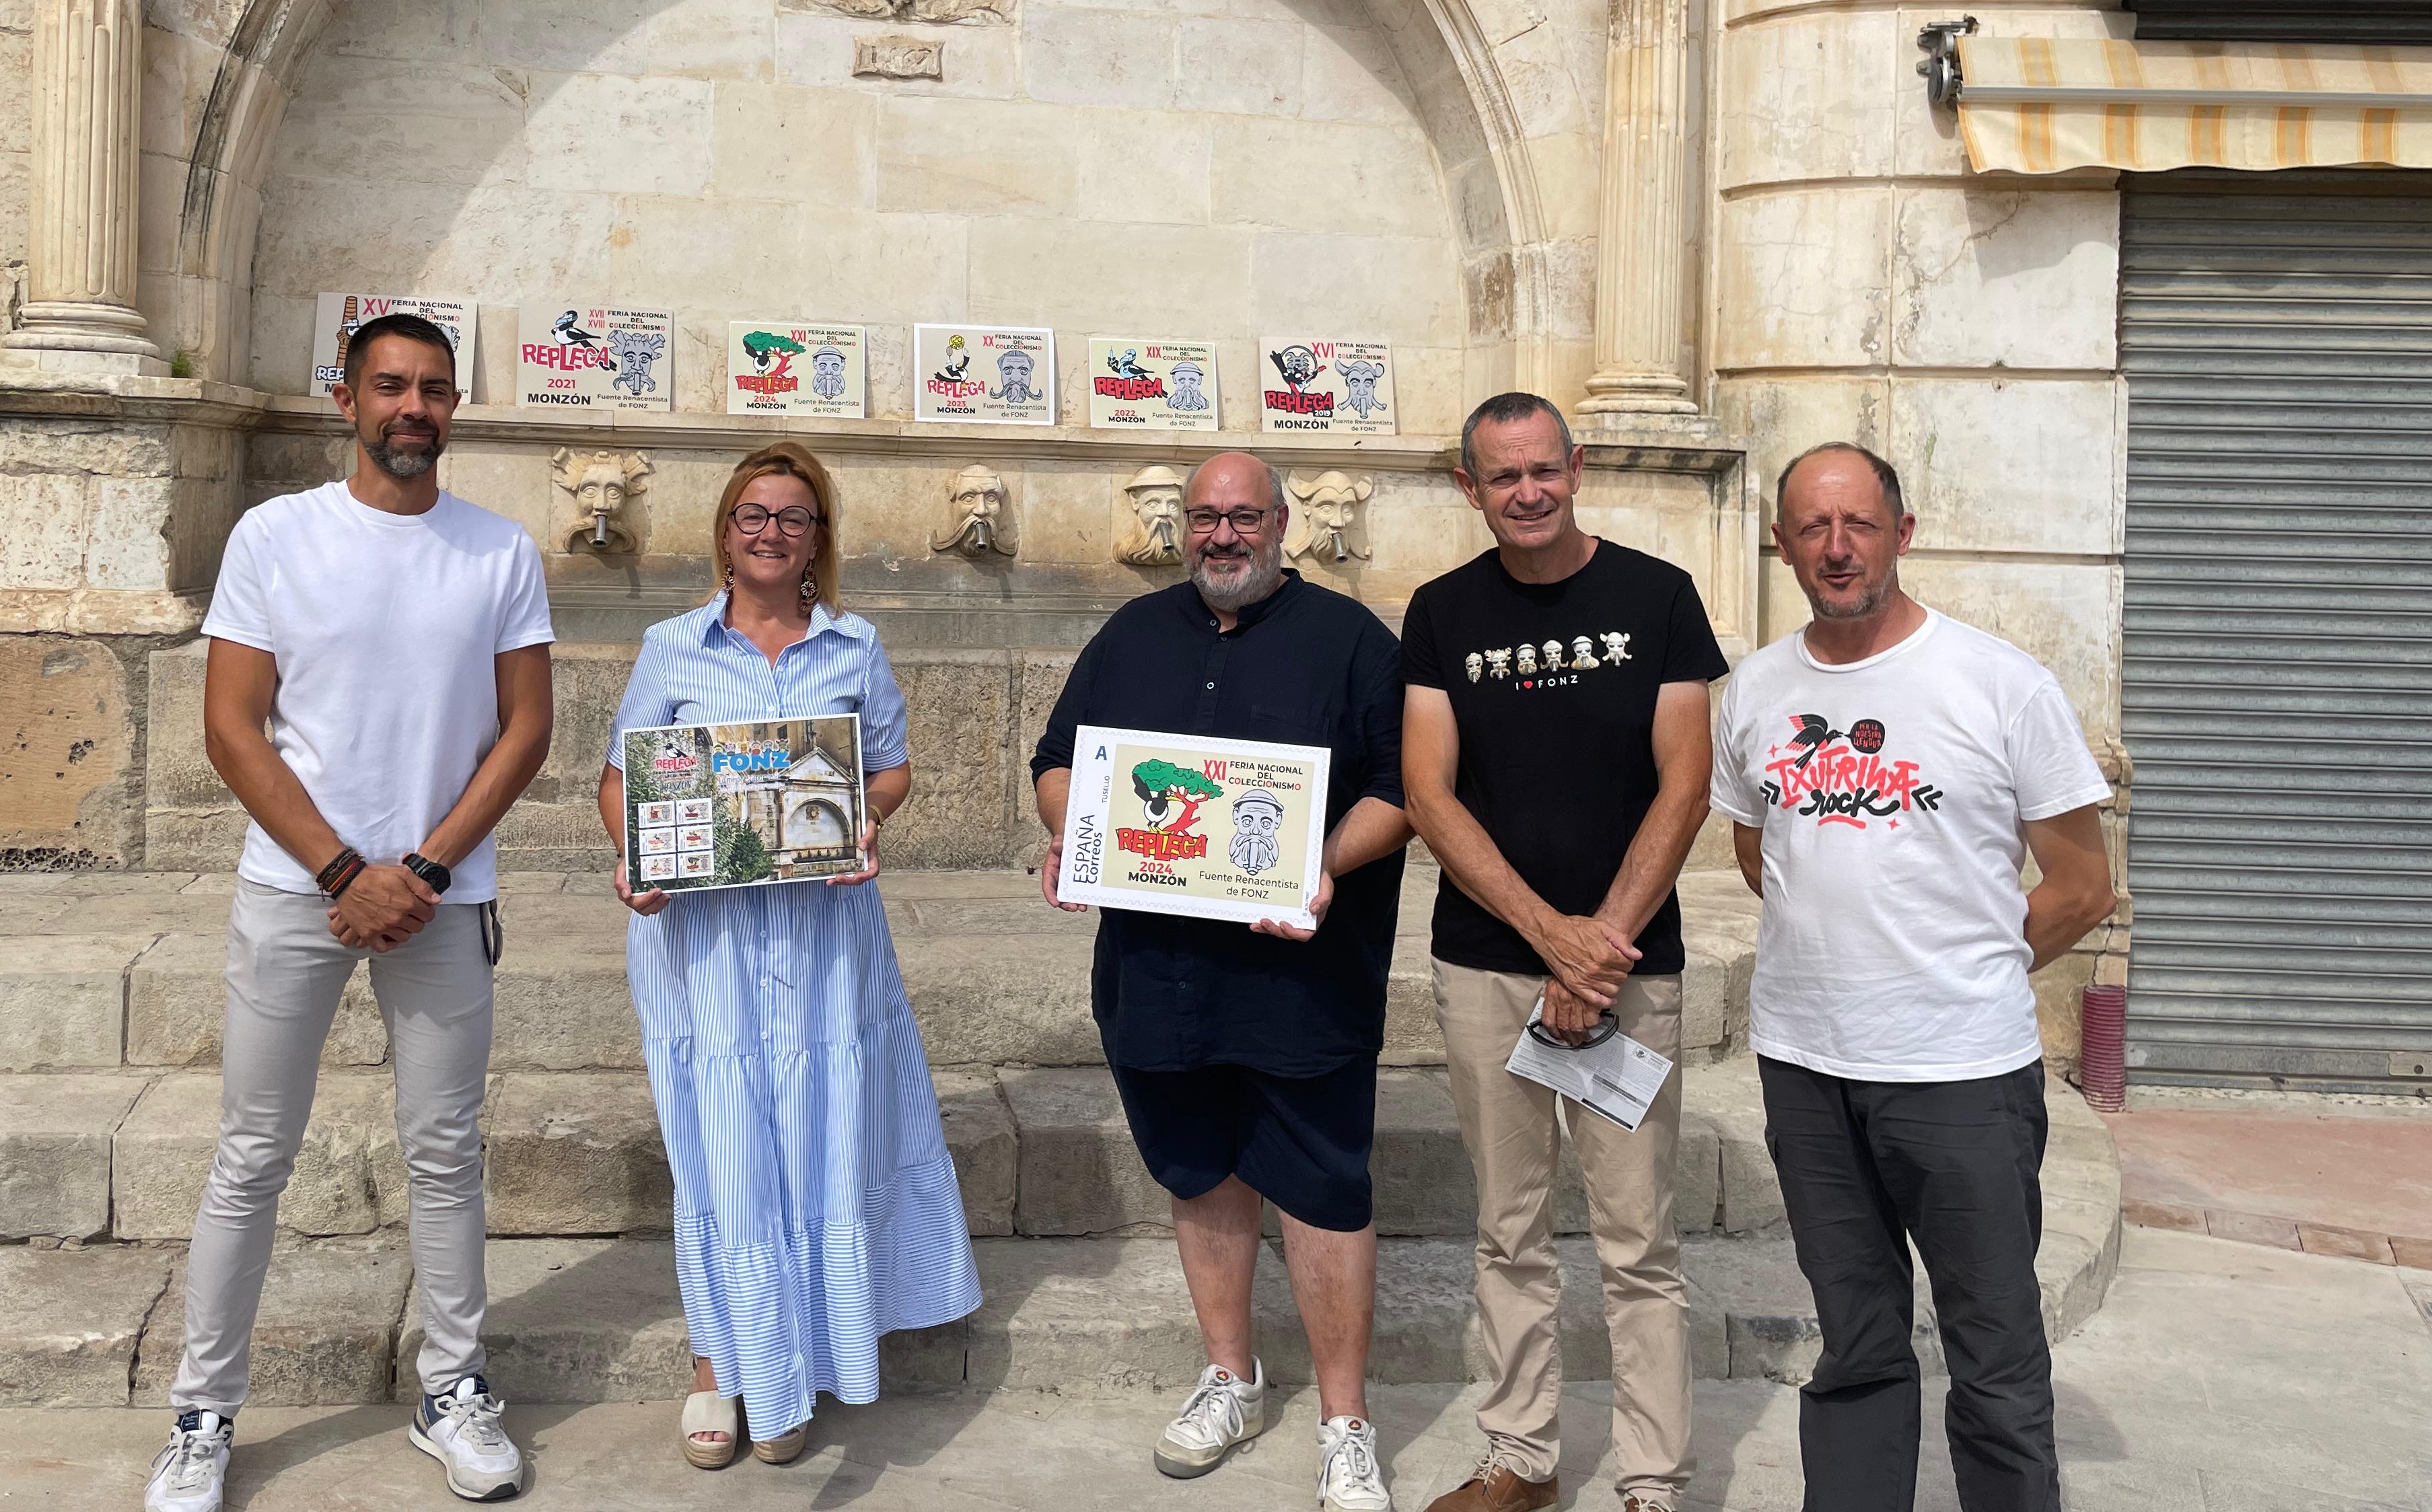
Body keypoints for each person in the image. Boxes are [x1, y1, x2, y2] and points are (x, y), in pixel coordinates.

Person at [149, 312, 556, 1512]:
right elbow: (233, 725)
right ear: (345, 397)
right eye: (390, 385)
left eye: (433, 389)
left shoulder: (499, 551)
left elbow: (525, 729)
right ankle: (204, 1414)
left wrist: (421, 872)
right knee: (251, 1156)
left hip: (444, 897)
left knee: (444, 1155)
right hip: (294, 895)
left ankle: (452, 1390)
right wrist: (342, 872)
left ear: (454, 407)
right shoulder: (275, 538)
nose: (412, 408)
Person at [1713, 443, 2113, 1512]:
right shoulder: (1753, 690)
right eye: (1812, 527)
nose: (1837, 548)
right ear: (1784, 543)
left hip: (1963, 1074)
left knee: (1994, 1351)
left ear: (1903, 531)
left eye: (1859, 523)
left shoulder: (2000, 684)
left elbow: (2081, 886)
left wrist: (1960, 968)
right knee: (1855, 1343)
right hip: (1806, 1067)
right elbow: (1766, 857)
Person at [1033, 452, 1410, 1512]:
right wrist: (1075, 835)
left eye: (1244, 516)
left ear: (1282, 523)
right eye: (1205, 518)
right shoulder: (1132, 634)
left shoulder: (1350, 642)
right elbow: (1058, 761)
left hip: (1304, 974)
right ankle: (1231, 1378)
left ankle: (1345, 1424)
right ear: (1181, 527)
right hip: (1163, 971)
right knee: (1198, 1170)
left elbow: (1405, 789)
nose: (1223, 536)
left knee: (1326, 1189)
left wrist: (1324, 864)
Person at [600, 443, 980, 1470]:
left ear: (820, 540)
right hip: (703, 942)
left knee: (817, 1138)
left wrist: (862, 824)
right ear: (725, 531)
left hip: (821, 932)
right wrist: (635, 859)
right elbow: (620, 780)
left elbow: (889, 770)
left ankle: (804, 1360)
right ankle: (718, 1369)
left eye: (795, 516)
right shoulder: (673, 648)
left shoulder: (852, 647)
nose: (772, 532)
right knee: (722, 1148)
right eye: (753, 514)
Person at [1402, 393, 1727, 1512]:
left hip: (1632, 970)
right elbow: (1428, 793)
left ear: (1576, 466)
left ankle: (1650, 1482)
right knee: (1509, 1226)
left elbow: (1686, 784)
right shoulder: (1442, 612)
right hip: (1489, 966)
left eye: (1544, 469)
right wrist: (1552, 941)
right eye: (1502, 477)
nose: (1527, 492)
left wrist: (1601, 955)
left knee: (1638, 1239)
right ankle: (1519, 1459)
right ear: (1470, 488)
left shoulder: (1658, 599)